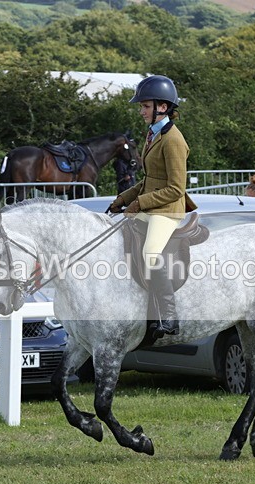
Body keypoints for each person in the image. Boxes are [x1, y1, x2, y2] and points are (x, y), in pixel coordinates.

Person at [107, 75, 196, 339]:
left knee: (150, 253)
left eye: (145, 106)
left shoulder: (174, 140)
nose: (141, 111)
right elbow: (149, 179)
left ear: (163, 107)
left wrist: (139, 203)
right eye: (142, 106)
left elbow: (175, 188)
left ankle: (169, 315)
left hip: (168, 209)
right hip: (152, 203)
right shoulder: (153, 134)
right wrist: (122, 199)